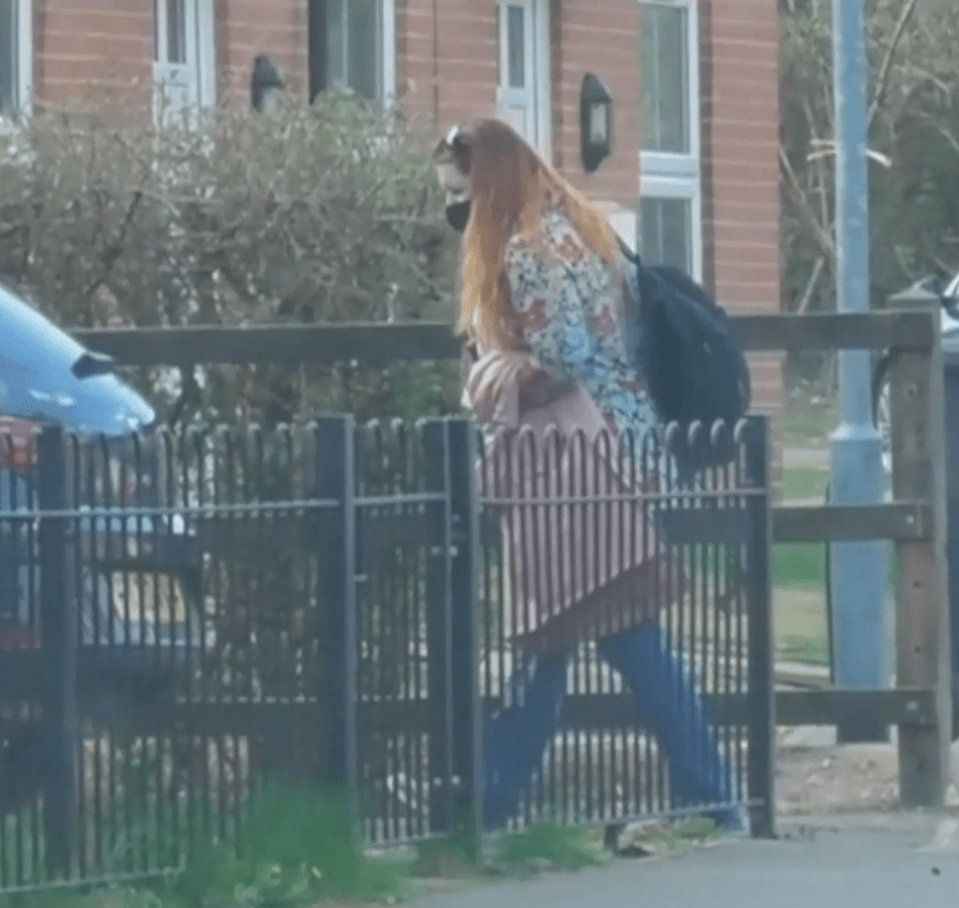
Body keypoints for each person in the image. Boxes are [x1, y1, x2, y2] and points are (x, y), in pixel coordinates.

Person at [433, 117, 742, 833]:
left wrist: (503, 362)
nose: (457, 216)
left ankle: (707, 800)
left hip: (585, 468)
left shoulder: (532, 250)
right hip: (619, 451)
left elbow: (566, 354)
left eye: (460, 199)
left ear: (490, 185)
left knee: (602, 637)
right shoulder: (578, 229)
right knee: (570, 639)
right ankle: (491, 804)